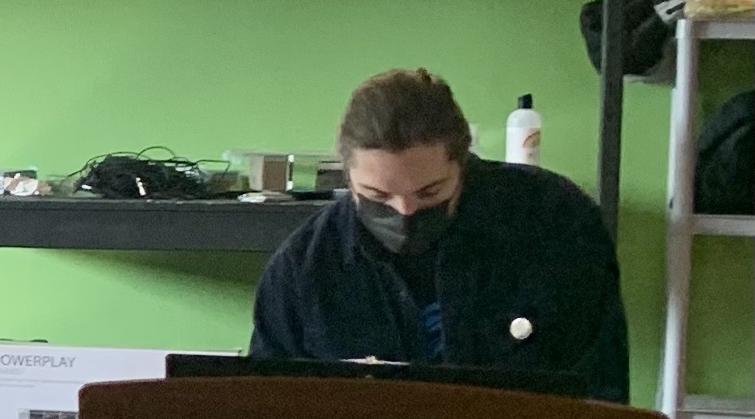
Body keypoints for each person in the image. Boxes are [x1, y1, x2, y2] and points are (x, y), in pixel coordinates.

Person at [252, 67, 628, 401]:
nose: (404, 211)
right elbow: (268, 416)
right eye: (377, 196)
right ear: (347, 176)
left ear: (462, 164)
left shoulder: (555, 223)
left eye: (429, 192)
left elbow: (601, 396)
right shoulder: (302, 271)